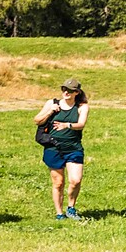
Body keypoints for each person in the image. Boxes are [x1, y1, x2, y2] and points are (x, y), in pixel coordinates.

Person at [37, 77, 90, 220]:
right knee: (58, 183)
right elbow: (37, 120)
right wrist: (50, 112)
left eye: (70, 90)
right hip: (53, 148)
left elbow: (81, 124)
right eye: (64, 89)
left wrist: (67, 125)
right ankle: (59, 214)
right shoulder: (52, 103)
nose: (66, 92)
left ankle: (71, 208)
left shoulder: (82, 107)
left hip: (73, 148)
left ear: (77, 92)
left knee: (76, 180)